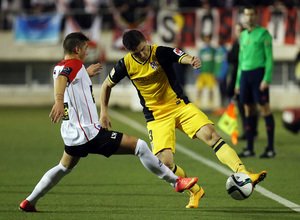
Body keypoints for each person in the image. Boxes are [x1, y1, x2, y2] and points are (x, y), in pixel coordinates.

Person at [19, 32, 199, 212]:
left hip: (71, 134)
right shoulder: (74, 65)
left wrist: (84, 74)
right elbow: (62, 80)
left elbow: (66, 79)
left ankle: (30, 201)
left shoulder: (59, 66)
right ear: (77, 49)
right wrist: (58, 100)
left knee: (63, 167)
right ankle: (176, 182)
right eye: (85, 49)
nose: (87, 52)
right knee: (140, 146)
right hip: (89, 133)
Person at [100, 29, 267, 209]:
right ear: (128, 52)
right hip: (156, 116)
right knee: (164, 164)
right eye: (136, 53)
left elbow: (181, 56)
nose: (142, 54)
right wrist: (103, 112)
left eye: (143, 49)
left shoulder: (160, 52)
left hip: (180, 106)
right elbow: (106, 85)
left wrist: (192, 60)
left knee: (212, 136)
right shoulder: (124, 65)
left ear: (146, 40)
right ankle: (195, 190)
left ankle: (244, 173)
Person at [235, 6, 276, 158]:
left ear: (256, 15)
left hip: (259, 74)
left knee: (265, 109)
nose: (249, 17)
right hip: (245, 74)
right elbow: (241, 61)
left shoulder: (264, 34)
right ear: (244, 16)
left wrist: (267, 78)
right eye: (247, 14)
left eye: (252, 14)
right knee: (248, 110)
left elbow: (270, 58)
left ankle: (270, 148)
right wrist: (238, 82)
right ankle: (249, 148)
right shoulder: (243, 35)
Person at [227, 23, 259, 140]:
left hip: (248, 78)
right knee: (242, 106)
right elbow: (230, 58)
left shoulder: (248, 44)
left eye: (238, 31)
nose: (236, 33)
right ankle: (247, 131)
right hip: (238, 78)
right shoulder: (237, 44)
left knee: (250, 106)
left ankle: (252, 131)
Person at [194, 33, 216, 108]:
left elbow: (215, 62)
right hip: (202, 72)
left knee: (211, 89)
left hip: (210, 72)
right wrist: (197, 71)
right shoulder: (202, 51)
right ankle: (198, 103)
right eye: (205, 39)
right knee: (199, 88)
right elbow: (198, 61)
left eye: (208, 39)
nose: (207, 40)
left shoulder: (213, 50)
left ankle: (211, 103)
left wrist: (215, 72)